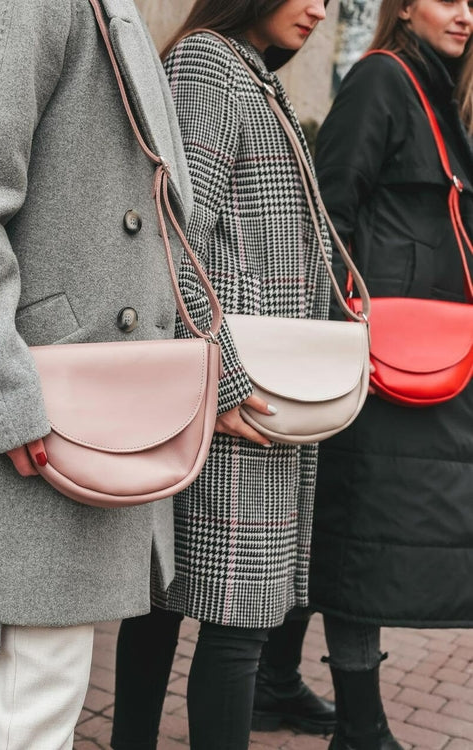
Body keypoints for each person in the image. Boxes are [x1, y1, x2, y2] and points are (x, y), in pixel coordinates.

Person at [110, 2, 337, 749]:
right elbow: (175, 229)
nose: (318, 9)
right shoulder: (209, 64)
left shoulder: (248, 74)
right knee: (234, 620)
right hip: (232, 387)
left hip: (238, 382)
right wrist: (227, 379)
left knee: (168, 605)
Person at [0, 0, 195, 747]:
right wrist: (6, 393)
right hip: (28, 437)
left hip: (68, 424)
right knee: (24, 714)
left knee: (39, 708)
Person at [309, 0, 473, 746]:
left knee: (349, 525)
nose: (466, 14)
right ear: (404, 6)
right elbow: (330, 211)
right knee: (361, 532)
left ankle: (278, 684)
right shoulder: (384, 78)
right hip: (382, 354)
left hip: (426, 352)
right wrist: (344, 328)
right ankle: (361, 726)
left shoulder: (440, 84)